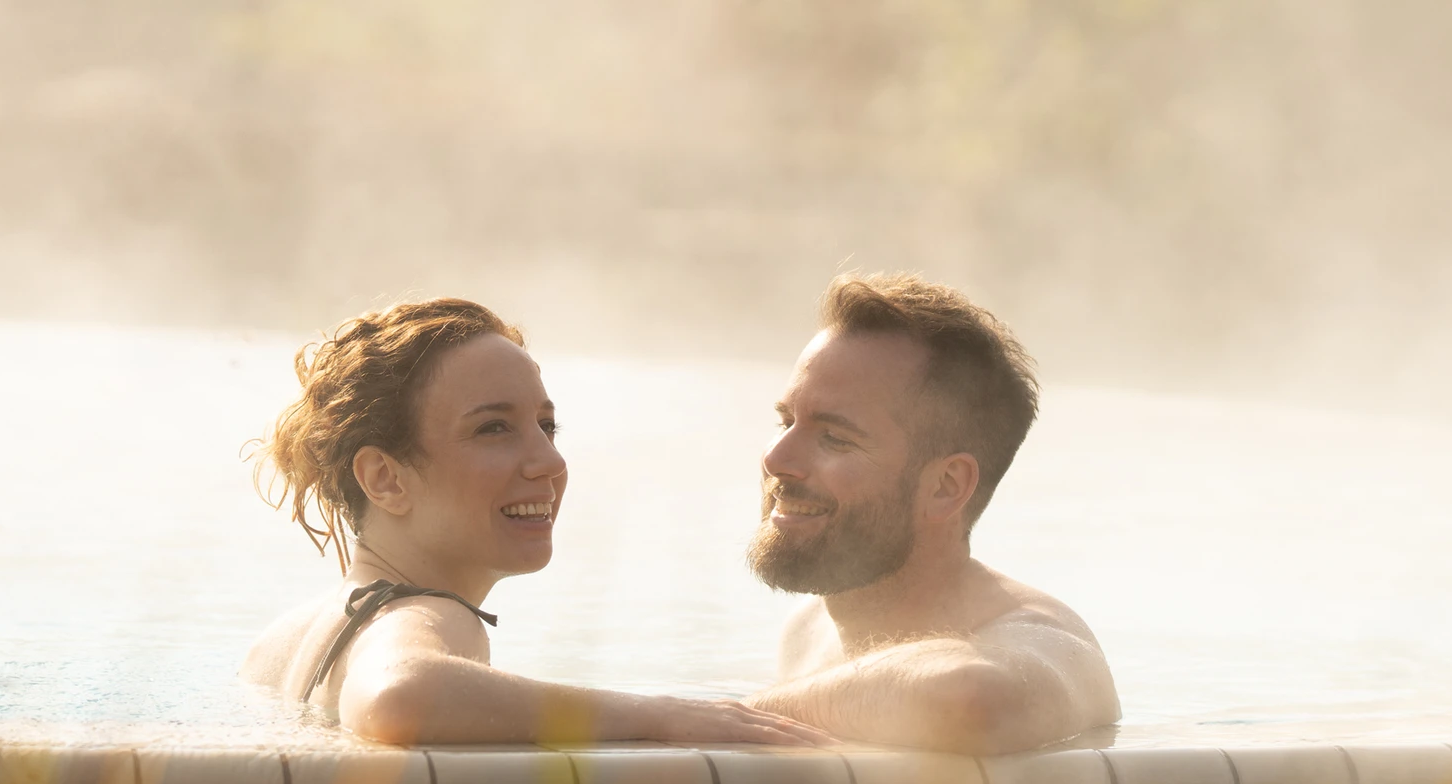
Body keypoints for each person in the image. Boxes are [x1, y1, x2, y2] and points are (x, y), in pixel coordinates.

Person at [245, 297, 828, 748]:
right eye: (493, 428)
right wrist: (661, 714)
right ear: (385, 479)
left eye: (546, 427)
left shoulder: (280, 644)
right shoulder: (431, 618)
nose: (549, 463)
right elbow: (399, 696)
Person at [745, 274, 1119, 754]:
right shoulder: (806, 630)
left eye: (834, 438)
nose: (777, 459)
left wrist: (739, 714)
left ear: (946, 487)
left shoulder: (1048, 642)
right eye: (785, 421)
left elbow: (970, 701)